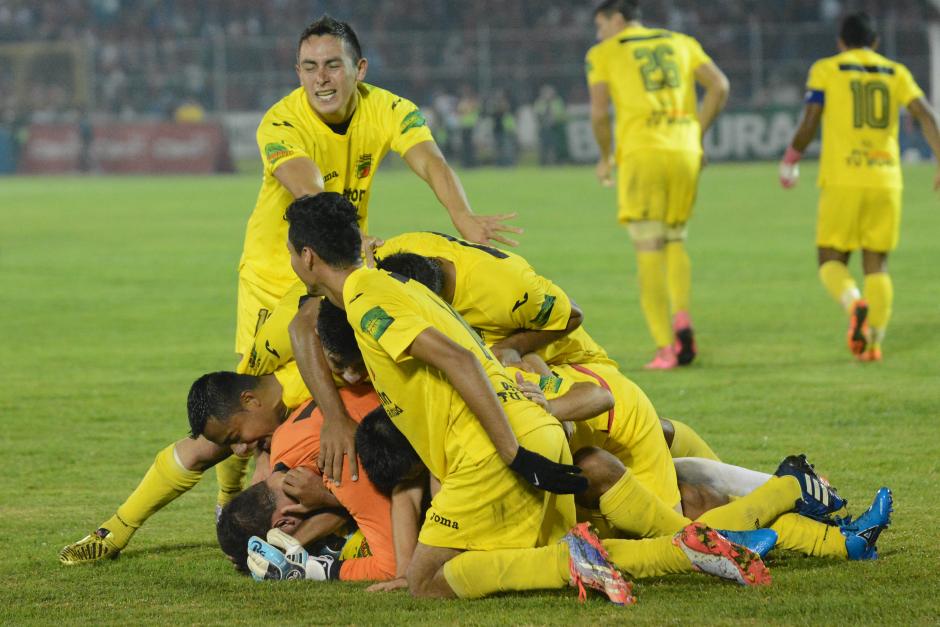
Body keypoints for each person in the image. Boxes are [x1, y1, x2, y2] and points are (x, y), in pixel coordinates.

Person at [279, 191, 772, 601]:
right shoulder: (394, 283)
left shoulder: (366, 299)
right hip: (532, 425)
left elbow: (460, 360)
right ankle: (684, 550)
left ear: (308, 257)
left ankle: (591, 561)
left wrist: (512, 453)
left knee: (427, 582)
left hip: (495, 446)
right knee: (552, 548)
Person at [779, 11, 940, 362]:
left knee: (830, 258)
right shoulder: (896, 72)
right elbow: (926, 115)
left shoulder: (827, 69)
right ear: (875, 42)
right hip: (885, 178)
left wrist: (791, 158)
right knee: (877, 263)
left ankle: (853, 303)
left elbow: (810, 120)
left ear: (841, 42)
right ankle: (873, 344)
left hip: (843, 178)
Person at [586, 0, 729, 369]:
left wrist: (605, 156)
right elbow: (719, 86)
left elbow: (599, 114)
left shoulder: (604, 53)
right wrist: (697, 134)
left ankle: (666, 347)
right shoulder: (682, 42)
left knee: (647, 244)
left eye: (601, 25)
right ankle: (682, 315)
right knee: (676, 238)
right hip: (684, 150)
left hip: (642, 152)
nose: (599, 34)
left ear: (618, 20)